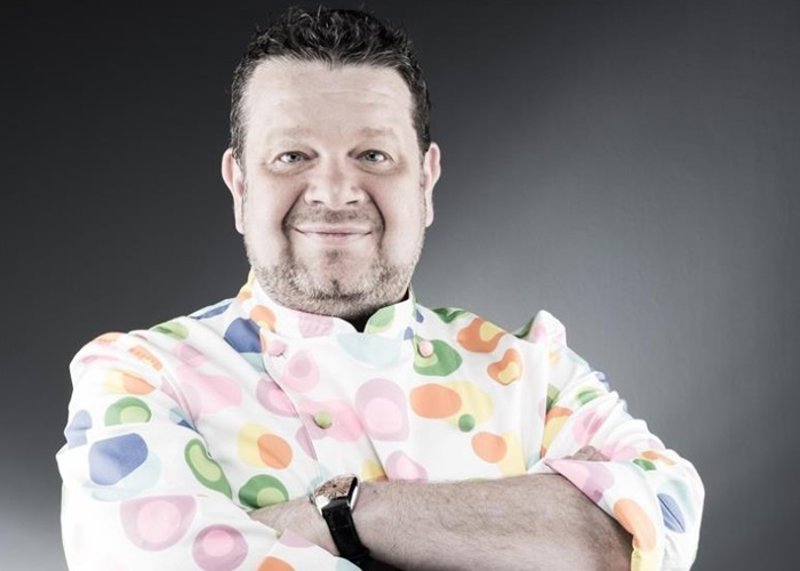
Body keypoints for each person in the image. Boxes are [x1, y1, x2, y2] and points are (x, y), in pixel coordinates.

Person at [56, 6, 704, 570]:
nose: (335, 192)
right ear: (239, 185)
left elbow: (660, 517)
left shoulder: (533, 372)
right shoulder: (140, 377)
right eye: (292, 156)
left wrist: (346, 514)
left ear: (425, 181)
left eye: (373, 155)